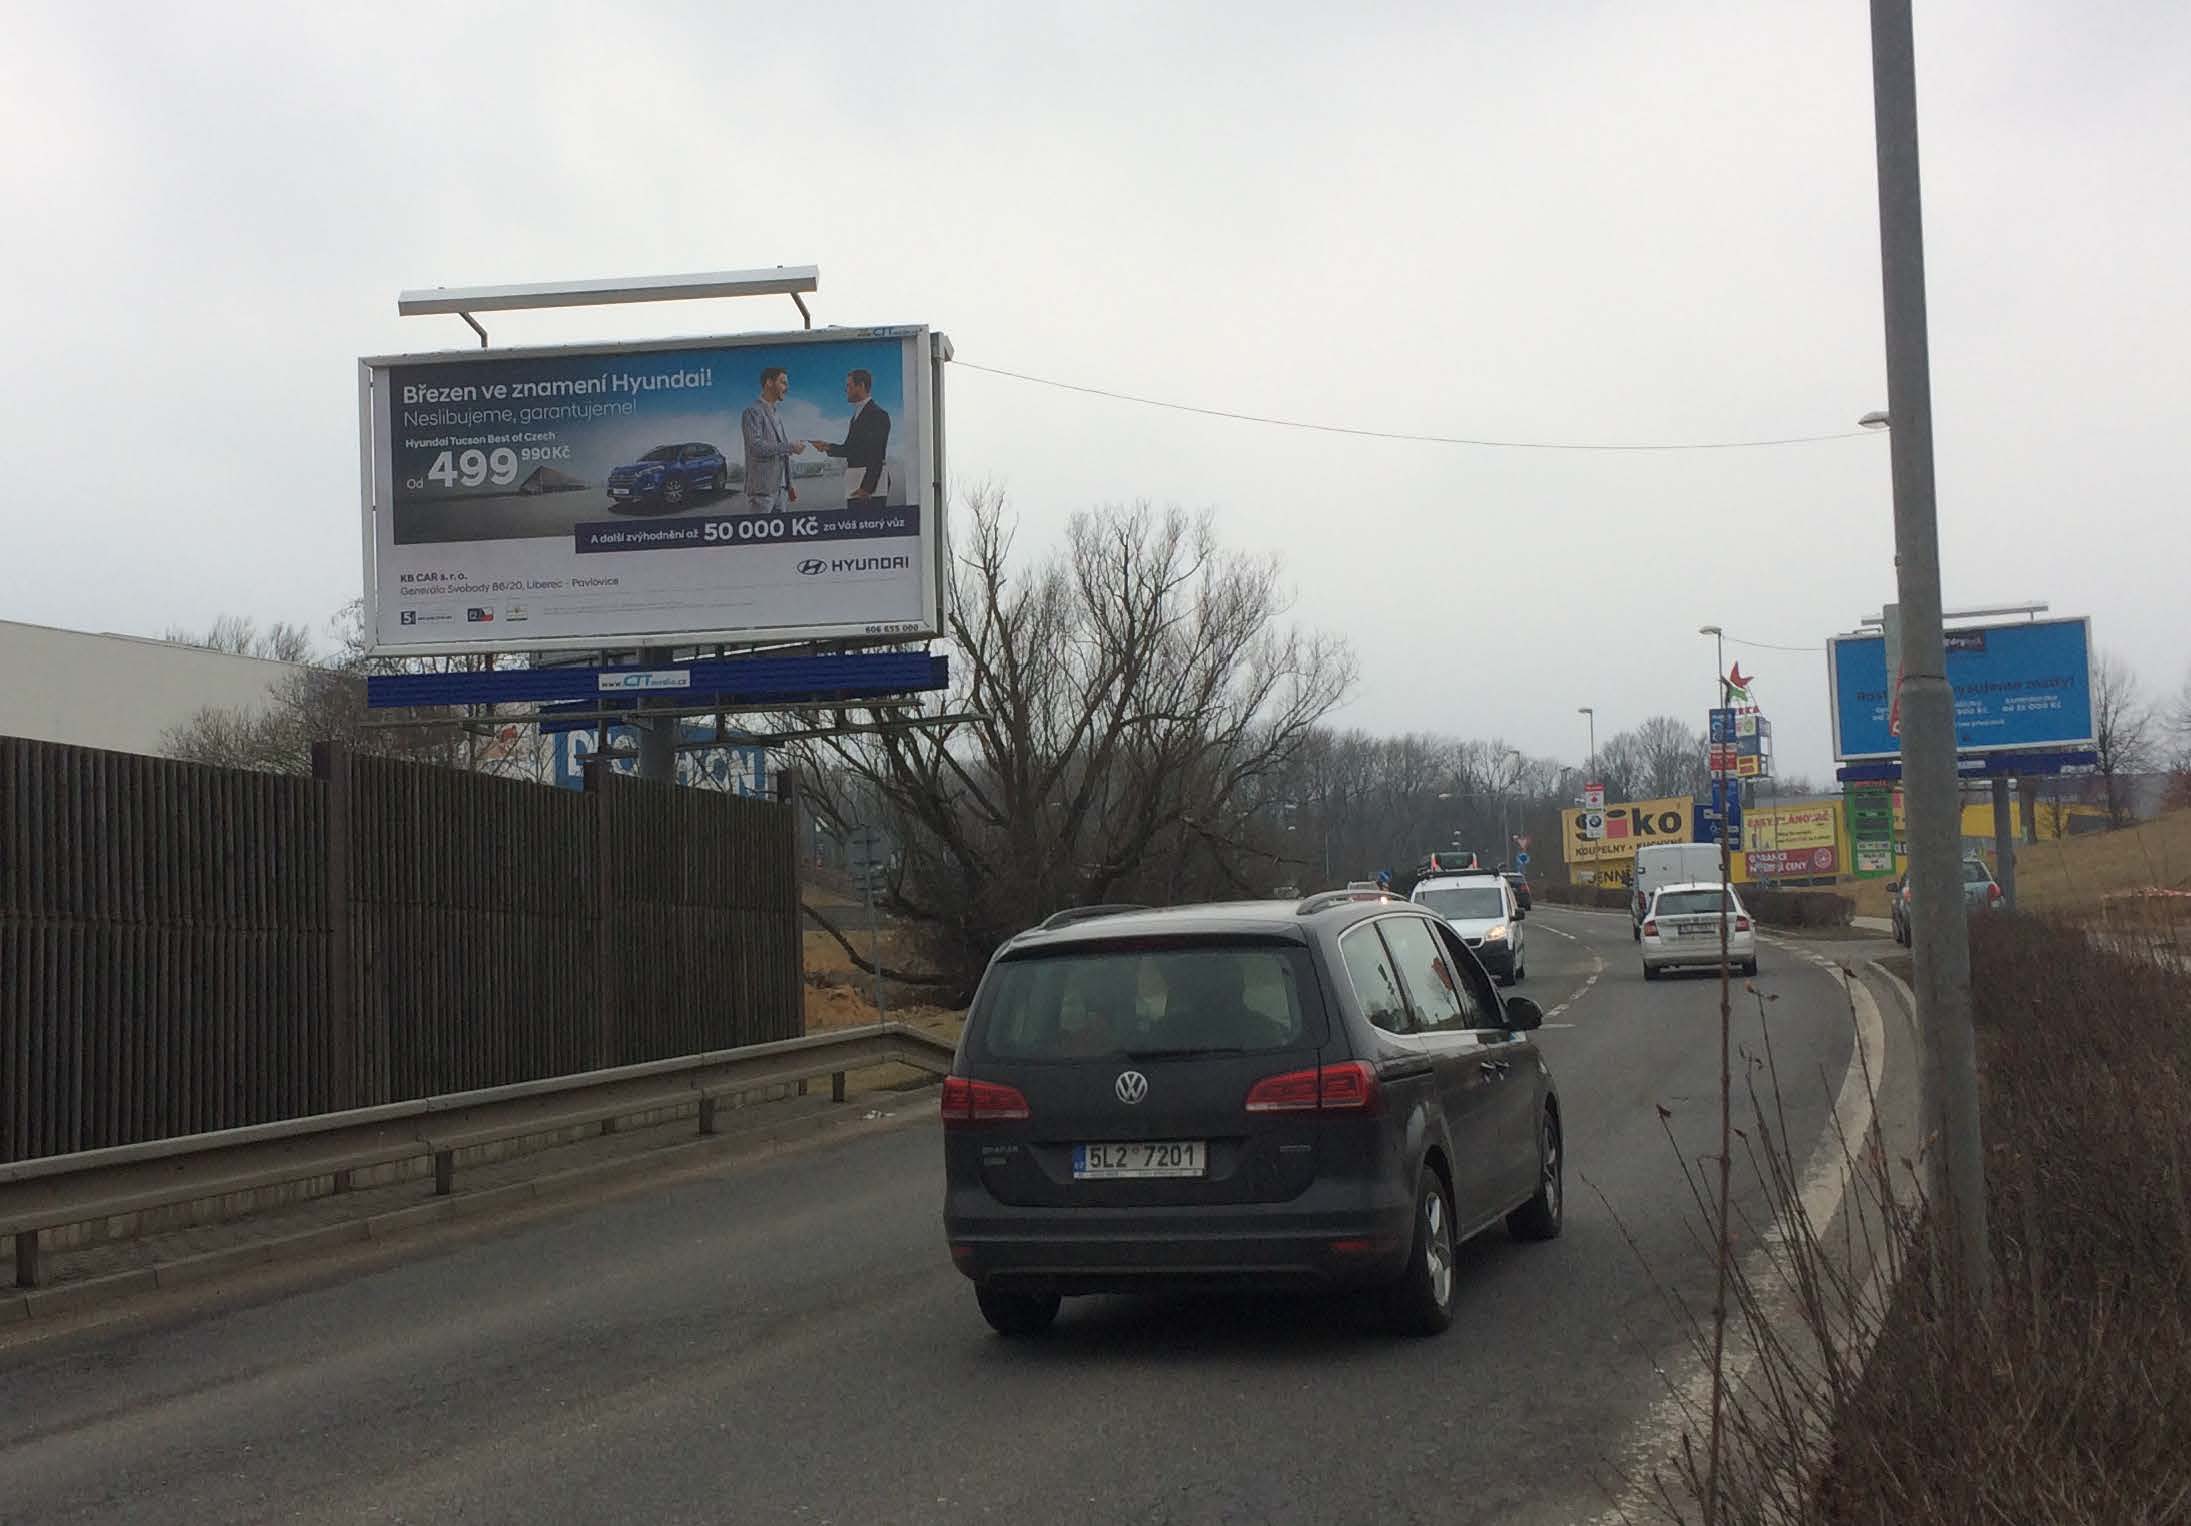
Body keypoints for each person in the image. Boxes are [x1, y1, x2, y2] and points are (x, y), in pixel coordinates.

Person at [808, 368, 891, 509]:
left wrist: (866, 489)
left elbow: (876, 455)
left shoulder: (877, 415)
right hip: (858, 483)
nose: (845, 390)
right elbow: (851, 450)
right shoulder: (857, 415)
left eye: (849, 386)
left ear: (862, 386)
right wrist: (827, 447)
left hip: (869, 488)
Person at [740, 366, 806, 512]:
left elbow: (782, 454)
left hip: (780, 491)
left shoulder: (776, 414)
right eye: (783, 383)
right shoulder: (752, 412)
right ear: (769, 382)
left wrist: (790, 484)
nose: (786, 388)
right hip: (762, 491)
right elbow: (756, 448)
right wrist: (790, 446)